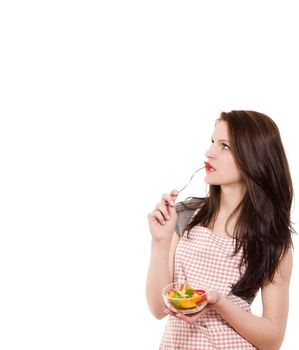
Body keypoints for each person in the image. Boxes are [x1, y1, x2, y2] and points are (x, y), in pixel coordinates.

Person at [146, 110, 294, 350]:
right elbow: (158, 308)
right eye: (213, 142)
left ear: (254, 158)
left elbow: (272, 339)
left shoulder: (272, 241)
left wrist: (219, 303)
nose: (209, 153)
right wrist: (160, 241)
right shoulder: (185, 216)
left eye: (225, 146)